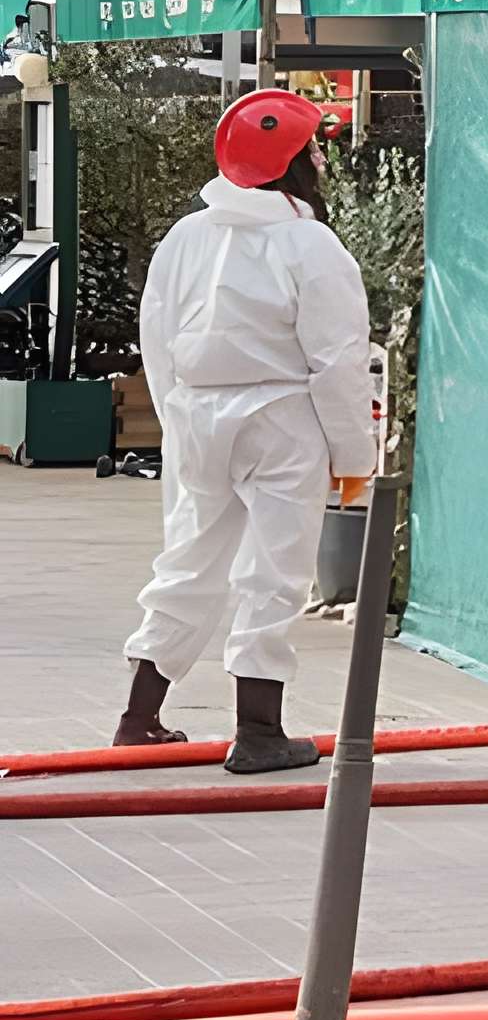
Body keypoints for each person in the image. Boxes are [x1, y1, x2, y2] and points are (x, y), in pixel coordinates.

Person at [113, 88, 376, 773]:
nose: (321, 156)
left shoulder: (188, 236)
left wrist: (178, 423)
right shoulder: (309, 244)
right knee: (273, 571)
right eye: (314, 147)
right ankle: (258, 731)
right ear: (295, 163)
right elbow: (338, 360)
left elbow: (158, 339)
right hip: (283, 420)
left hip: (199, 413)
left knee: (187, 563)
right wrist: (354, 455)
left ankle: (138, 719)